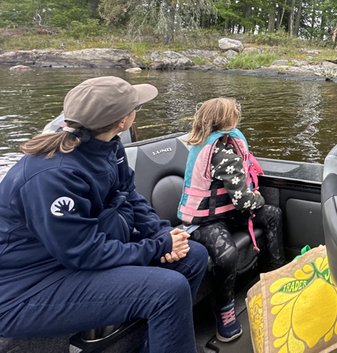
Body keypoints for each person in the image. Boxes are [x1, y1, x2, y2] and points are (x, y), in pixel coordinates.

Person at [0, 76, 208, 353]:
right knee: (167, 290)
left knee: (193, 255)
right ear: (123, 121)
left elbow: (128, 194)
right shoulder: (52, 176)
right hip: (26, 289)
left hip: (72, 260)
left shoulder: (107, 146)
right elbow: (83, 253)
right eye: (137, 106)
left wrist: (161, 233)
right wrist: (158, 247)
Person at [178, 97, 285, 343]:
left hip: (227, 211)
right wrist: (256, 199)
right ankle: (224, 308)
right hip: (204, 221)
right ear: (227, 122)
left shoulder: (218, 143)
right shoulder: (219, 154)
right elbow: (244, 201)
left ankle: (276, 276)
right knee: (226, 253)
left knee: (274, 216)